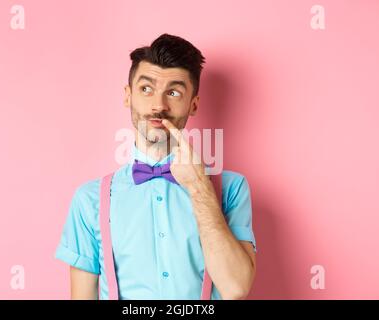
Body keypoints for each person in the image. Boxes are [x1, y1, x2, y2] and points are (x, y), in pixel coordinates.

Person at [55, 33, 257, 300]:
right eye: (146, 89)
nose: (158, 106)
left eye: (173, 92)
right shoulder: (89, 199)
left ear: (193, 104)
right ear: (128, 96)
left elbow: (236, 288)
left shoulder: (231, 189)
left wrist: (199, 188)